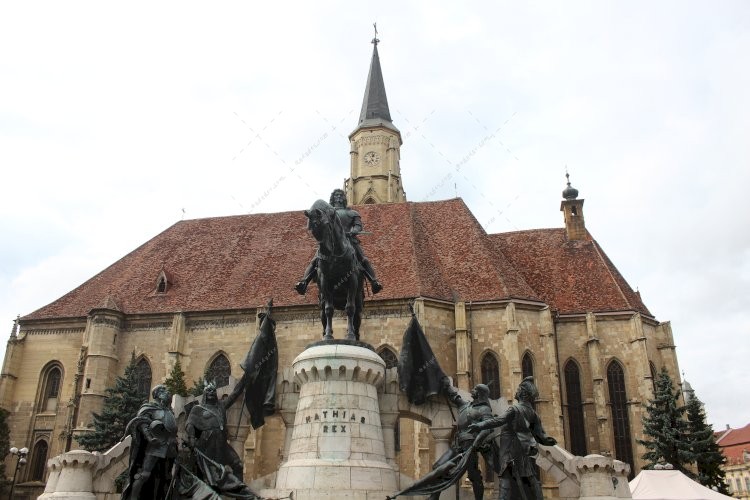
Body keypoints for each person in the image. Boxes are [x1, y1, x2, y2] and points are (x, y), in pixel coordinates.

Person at [468, 377, 557, 500]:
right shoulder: (533, 412)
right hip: (523, 451)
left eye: (518, 389)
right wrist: (549, 441)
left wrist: (479, 425)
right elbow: (541, 435)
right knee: (531, 479)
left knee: (505, 481)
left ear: (522, 393)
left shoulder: (514, 409)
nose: (516, 391)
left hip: (510, 451)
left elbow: (497, 421)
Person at [295, 189, 382, 295]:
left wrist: (352, 232)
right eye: (336, 195)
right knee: (315, 260)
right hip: (330, 242)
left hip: (350, 241)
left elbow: (358, 226)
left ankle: (374, 281)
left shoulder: (352, 213)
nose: (338, 197)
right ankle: (304, 282)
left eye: (341, 195)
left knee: (363, 259)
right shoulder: (328, 213)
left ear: (344, 198)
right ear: (332, 198)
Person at [435, 382, 494, 499]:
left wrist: (476, 442)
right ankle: (434, 496)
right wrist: (445, 385)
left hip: (470, 445)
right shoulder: (465, 406)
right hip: (457, 445)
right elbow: (455, 397)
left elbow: (488, 427)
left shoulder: (484, 409)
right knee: (438, 466)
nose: (472, 389)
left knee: (473, 475)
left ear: (480, 393)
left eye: (475, 389)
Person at [121, 384, 178, 500]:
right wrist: (150, 438)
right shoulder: (149, 407)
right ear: (157, 394)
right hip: (155, 446)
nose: (167, 392)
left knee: (167, 475)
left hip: (170, 446)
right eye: (163, 390)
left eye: (166, 390)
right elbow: (142, 423)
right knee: (144, 474)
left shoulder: (169, 411)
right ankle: (133, 497)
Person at [186, 381, 244, 478]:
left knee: (238, 465)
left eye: (213, 391)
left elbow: (234, 395)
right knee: (210, 472)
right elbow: (190, 424)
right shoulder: (198, 409)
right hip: (207, 444)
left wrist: (245, 380)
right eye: (208, 390)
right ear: (204, 393)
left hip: (222, 443)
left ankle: (239, 490)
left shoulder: (221, 406)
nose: (211, 392)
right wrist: (191, 438)